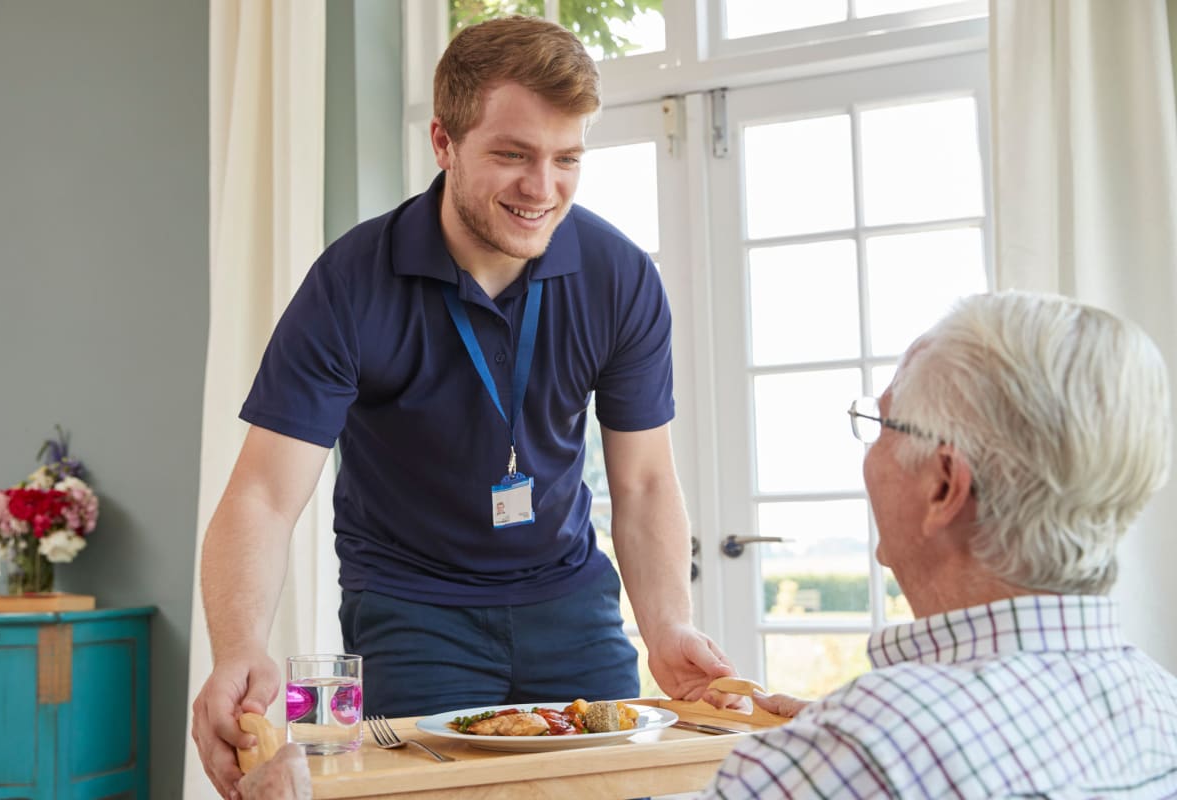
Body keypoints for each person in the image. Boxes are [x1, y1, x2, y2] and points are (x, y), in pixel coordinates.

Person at [191, 15, 735, 799]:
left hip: (570, 602)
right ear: (443, 143)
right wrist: (239, 645)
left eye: (566, 159)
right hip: (414, 610)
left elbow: (646, 483)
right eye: (512, 155)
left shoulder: (620, 279)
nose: (542, 188)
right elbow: (264, 495)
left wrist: (669, 626)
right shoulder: (350, 283)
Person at [705, 291, 1177, 798]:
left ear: (944, 485)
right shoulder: (1161, 702)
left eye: (881, 424)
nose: (869, 451)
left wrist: (831, 749)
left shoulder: (861, 753)